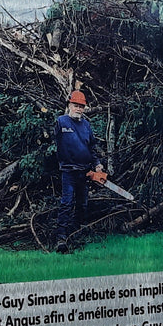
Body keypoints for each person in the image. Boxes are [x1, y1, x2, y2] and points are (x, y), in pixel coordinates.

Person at [54, 90, 102, 252]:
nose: (79, 109)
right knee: (67, 202)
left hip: (84, 171)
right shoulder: (61, 122)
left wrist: (97, 165)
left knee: (82, 204)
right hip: (68, 171)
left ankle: (74, 232)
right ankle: (60, 237)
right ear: (69, 105)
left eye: (81, 106)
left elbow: (92, 147)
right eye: (76, 106)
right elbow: (52, 139)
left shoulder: (86, 125)